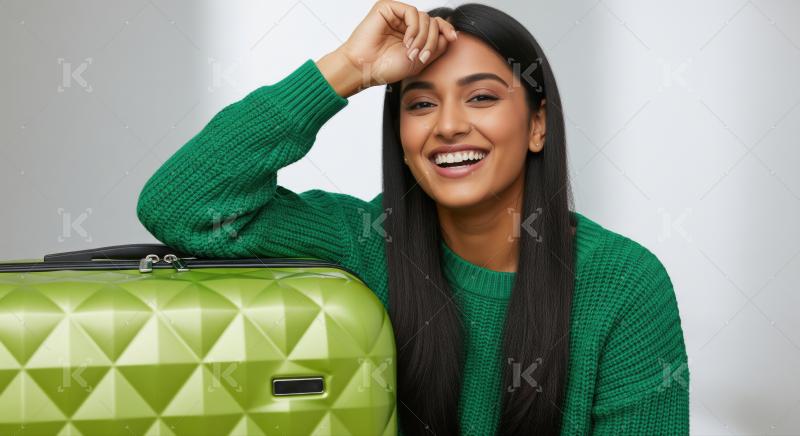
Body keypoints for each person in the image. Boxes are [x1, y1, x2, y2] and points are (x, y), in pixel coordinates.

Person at [136, 1, 690, 434]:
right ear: (400, 137)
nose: (448, 126)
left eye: (481, 98)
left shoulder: (622, 284)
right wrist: (348, 69)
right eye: (421, 104)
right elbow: (182, 206)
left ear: (538, 125)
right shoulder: (361, 245)